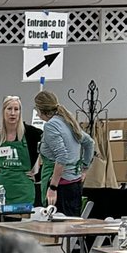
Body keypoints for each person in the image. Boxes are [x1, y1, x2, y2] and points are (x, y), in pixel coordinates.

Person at [34, 89, 95, 218]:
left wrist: (53, 188)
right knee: (71, 230)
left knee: (58, 230)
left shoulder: (51, 126)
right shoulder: (68, 121)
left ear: (40, 110)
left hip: (60, 187)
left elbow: (62, 156)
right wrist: (84, 168)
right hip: (75, 183)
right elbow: (89, 142)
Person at [0, 94, 42, 207]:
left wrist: (38, 175)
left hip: (23, 191)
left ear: (20, 112)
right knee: (1, 224)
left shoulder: (31, 133)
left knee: (23, 224)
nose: (13, 113)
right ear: (3, 111)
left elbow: (53, 150)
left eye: (16, 109)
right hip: (1, 189)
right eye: (9, 109)